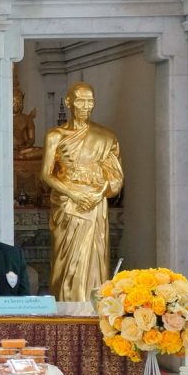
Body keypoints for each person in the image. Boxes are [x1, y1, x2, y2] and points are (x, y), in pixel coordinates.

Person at [41, 82, 123, 302]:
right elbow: (46, 174)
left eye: (90, 101)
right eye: (80, 100)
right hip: (68, 205)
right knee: (65, 261)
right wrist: (74, 194)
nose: (86, 106)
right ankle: (65, 308)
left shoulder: (106, 137)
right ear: (69, 102)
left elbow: (116, 178)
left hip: (95, 205)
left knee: (95, 259)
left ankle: (94, 309)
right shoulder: (55, 136)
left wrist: (99, 194)